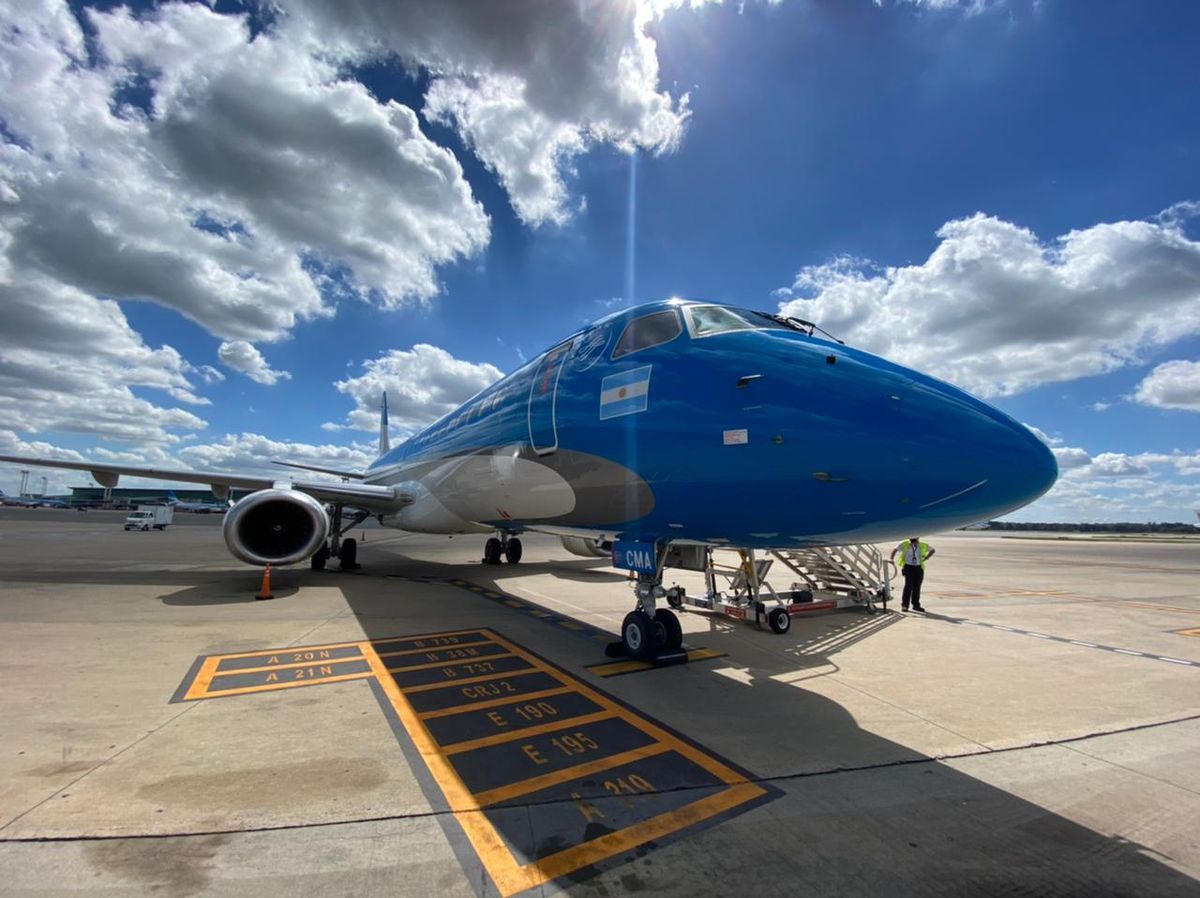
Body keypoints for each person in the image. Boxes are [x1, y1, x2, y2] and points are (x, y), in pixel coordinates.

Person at [889, 536, 935, 612]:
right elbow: (895, 550)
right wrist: (891, 559)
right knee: (908, 586)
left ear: (918, 539)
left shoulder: (922, 545)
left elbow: (932, 550)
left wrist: (926, 557)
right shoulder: (905, 544)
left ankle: (916, 605)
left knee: (917, 587)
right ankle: (905, 605)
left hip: (918, 567)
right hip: (908, 567)